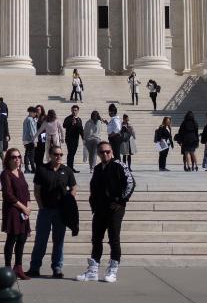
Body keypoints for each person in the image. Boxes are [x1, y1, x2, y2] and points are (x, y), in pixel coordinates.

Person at [76, 140, 134, 283]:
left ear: (112, 152)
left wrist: (121, 201)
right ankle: (93, 271)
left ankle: (113, 270)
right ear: (98, 153)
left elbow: (130, 183)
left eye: (107, 151)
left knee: (114, 239)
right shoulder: (97, 168)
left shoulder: (119, 165)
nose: (105, 154)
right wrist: (93, 204)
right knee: (96, 239)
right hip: (100, 209)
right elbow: (93, 187)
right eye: (102, 152)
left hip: (115, 208)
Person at [25, 144, 77, 279]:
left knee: (58, 241)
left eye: (61, 155)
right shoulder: (42, 169)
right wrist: (41, 206)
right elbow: (37, 190)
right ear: (50, 155)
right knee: (40, 240)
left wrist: (69, 200)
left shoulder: (67, 170)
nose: (59, 157)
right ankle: (34, 267)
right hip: (46, 211)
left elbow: (74, 186)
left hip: (61, 211)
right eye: (56, 154)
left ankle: (57, 268)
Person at [0, 148, 32, 281]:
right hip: (13, 210)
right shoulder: (5, 174)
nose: (17, 159)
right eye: (14, 157)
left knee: (22, 239)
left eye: (19, 157)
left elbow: (26, 190)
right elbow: (8, 194)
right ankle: (7, 268)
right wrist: (23, 207)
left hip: (24, 211)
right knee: (11, 239)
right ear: (8, 159)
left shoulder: (20, 172)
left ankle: (18, 267)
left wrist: (28, 206)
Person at [63, 105, 83, 172]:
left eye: (76, 110)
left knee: (73, 153)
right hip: (69, 139)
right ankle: (69, 168)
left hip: (76, 139)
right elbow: (64, 125)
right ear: (71, 110)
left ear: (78, 111)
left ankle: (70, 167)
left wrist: (83, 138)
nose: (74, 111)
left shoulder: (79, 119)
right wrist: (71, 123)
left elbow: (81, 130)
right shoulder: (68, 118)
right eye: (73, 110)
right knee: (70, 153)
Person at [21, 107, 38, 174]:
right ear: (31, 112)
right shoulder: (30, 120)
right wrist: (34, 140)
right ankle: (30, 169)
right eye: (34, 113)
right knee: (30, 154)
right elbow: (32, 131)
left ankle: (28, 168)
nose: (35, 114)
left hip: (26, 139)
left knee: (28, 154)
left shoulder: (26, 119)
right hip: (30, 139)